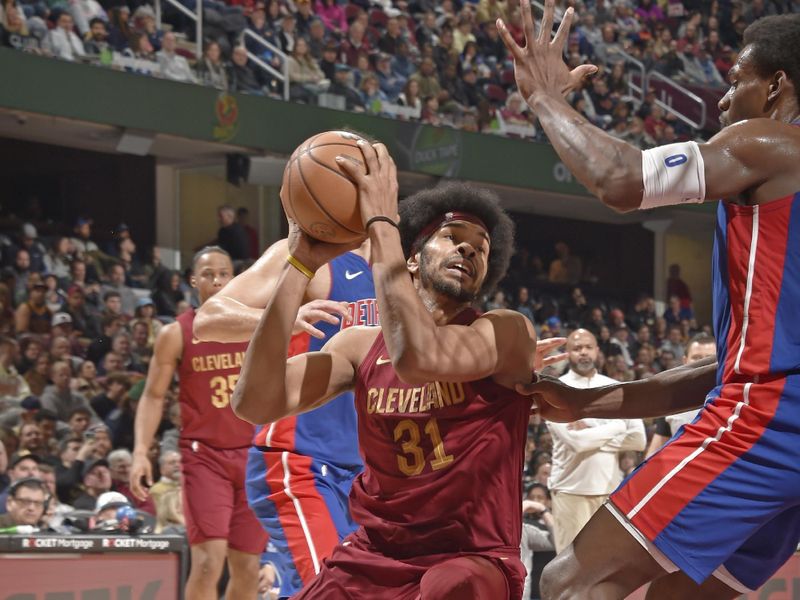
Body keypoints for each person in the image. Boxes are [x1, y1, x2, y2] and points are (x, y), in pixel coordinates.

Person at [500, 4, 800, 596]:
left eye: (736, 81)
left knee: (569, 582)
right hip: (781, 422)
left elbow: (619, 179)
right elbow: (735, 368)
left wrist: (543, 98)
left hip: (765, 423)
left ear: (777, 86)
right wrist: (594, 402)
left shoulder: (769, 143)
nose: (722, 101)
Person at [230, 141, 564, 599]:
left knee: (451, 587)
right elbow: (254, 402)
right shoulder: (359, 346)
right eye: (452, 238)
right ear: (411, 257)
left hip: (470, 558)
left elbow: (419, 360)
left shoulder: (503, 332)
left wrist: (382, 221)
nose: (467, 251)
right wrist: (299, 264)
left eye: (480, 249)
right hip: (376, 553)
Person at [194, 229, 376, 597]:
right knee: (333, 590)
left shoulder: (398, 275)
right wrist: (284, 315)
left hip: (365, 476)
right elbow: (207, 318)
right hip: (300, 463)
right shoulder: (307, 257)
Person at [130, 246, 267, 600]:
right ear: (193, 280)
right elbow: (153, 395)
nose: (217, 280)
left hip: (254, 455)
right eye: (208, 274)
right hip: (204, 456)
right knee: (208, 562)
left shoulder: (254, 325)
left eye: (223, 273)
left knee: (248, 568)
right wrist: (141, 451)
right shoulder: (176, 333)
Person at [547, 329, 645, 552]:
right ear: (567, 353)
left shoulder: (614, 387)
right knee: (567, 568)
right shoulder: (555, 391)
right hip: (570, 491)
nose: (583, 353)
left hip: (610, 490)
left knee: (608, 563)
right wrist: (618, 426)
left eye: (588, 347)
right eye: (577, 348)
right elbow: (576, 443)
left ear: (597, 351)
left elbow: (638, 439)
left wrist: (590, 428)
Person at [646, 333, 718, 458]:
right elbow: (655, 452)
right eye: (696, 357)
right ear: (685, 361)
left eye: (709, 358)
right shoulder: (671, 401)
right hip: (682, 471)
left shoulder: (732, 396)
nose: (703, 363)